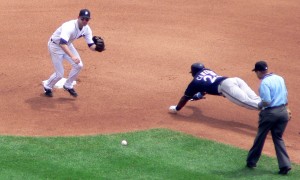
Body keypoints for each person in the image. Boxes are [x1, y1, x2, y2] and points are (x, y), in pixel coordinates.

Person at [43, 9, 103, 97]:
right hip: (55, 46)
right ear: (78, 17)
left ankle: (68, 85)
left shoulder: (86, 29)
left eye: (87, 19)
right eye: (83, 18)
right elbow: (62, 43)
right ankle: (47, 86)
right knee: (59, 74)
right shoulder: (69, 26)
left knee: (79, 65)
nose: (84, 21)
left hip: (67, 45)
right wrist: (72, 56)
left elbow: (91, 45)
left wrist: (97, 48)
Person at [246, 61, 292, 175]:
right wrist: (286, 109)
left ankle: (251, 161)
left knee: (260, 137)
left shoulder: (264, 83)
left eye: (256, 72)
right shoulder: (279, 78)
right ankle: (285, 165)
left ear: (258, 72)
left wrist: (259, 105)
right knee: (278, 138)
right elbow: (285, 95)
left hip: (270, 114)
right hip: (283, 112)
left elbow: (266, 101)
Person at [169, 62, 261, 113]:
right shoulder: (207, 70)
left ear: (193, 72)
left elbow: (185, 98)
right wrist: (199, 95)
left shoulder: (194, 83)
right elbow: (207, 84)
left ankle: (272, 112)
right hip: (235, 80)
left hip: (226, 87)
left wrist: (176, 108)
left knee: (246, 103)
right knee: (255, 98)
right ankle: (273, 104)